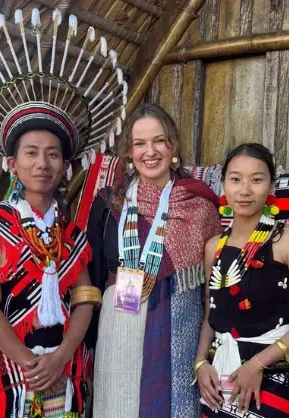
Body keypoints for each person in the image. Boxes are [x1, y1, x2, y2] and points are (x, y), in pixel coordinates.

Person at [0, 8, 127, 417]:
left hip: (64, 371)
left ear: (66, 167)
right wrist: (30, 363)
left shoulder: (74, 236)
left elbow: (86, 299)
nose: (42, 163)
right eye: (31, 153)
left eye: (53, 155)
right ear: (12, 163)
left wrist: (62, 355)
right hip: (6, 371)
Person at [87, 103, 222, 417]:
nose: (150, 151)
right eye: (139, 143)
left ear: (173, 147)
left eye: (158, 141)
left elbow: (213, 287)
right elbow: (94, 278)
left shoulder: (200, 205)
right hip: (119, 330)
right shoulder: (109, 204)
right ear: (130, 153)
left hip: (179, 331)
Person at [195, 143, 289, 417]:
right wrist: (200, 363)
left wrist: (256, 365)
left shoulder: (288, 241)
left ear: (271, 186)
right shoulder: (214, 247)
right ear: (223, 185)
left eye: (256, 179)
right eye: (235, 179)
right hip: (220, 376)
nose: (244, 190)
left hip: (274, 371)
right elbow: (212, 314)